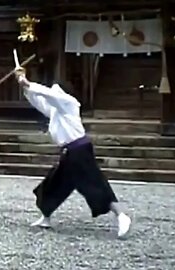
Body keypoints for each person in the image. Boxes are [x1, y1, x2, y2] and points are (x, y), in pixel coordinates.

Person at [15, 69, 132, 238]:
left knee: (94, 184)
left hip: (80, 150)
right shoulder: (56, 111)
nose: (53, 92)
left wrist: (27, 83)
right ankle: (45, 217)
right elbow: (40, 101)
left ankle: (121, 216)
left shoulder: (69, 103)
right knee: (54, 184)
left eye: (55, 90)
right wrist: (24, 87)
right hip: (69, 152)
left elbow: (49, 96)